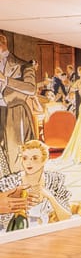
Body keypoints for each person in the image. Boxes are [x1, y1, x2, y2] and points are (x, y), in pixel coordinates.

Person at [0, 140, 71, 228]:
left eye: (34, 158)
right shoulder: (10, 182)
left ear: (44, 160)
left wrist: (50, 197)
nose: (29, 163)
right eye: (25, 158)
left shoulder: (54, 181)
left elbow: (67, 217)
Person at [0, 33, 37, 178]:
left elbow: (31, 88)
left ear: (3, 44)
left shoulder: (23, 65)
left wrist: (6, 80)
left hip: (14, 112)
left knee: (15, 152)